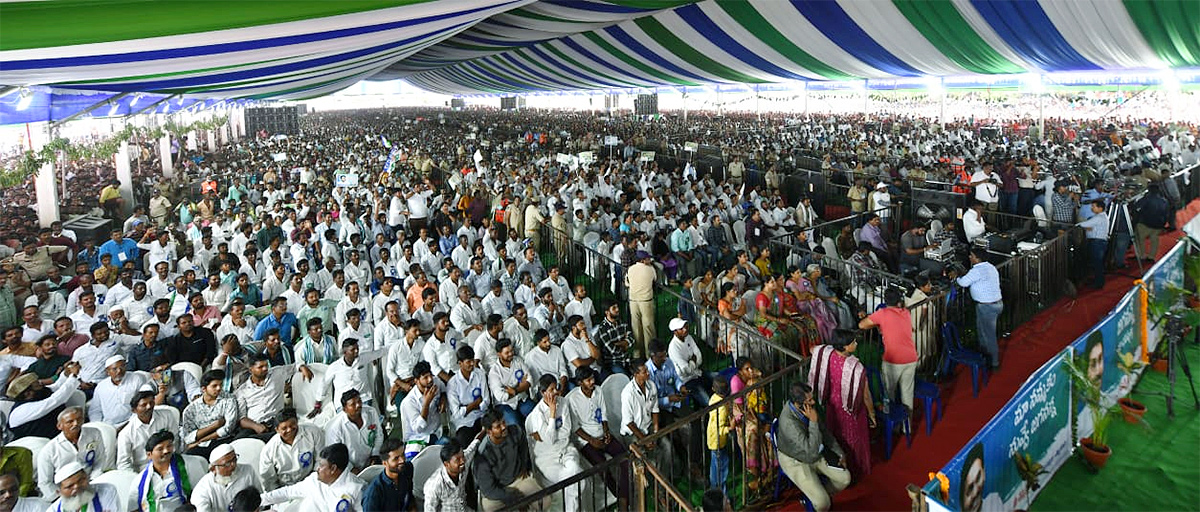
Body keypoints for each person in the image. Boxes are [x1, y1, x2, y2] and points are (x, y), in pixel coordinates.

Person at [776, 382, 851, 512]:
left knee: (845, 479)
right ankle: (818, 497)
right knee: (823, 504)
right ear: (798, 404)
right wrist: (813, 422)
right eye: (809, 400)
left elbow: (825, 433)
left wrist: (839, 452)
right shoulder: (789, 423)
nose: (813, 402)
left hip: (814, 452)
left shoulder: (807, 409)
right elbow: (812, 451)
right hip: (795, 460)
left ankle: (817, 494)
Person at [808, 331, 875, 478]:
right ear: (845, 347)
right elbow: (865, 394)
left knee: (835, 434)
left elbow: (813, 349)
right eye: (853, 343)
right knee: (854, 437)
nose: (856, 344)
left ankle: (838, 466)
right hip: (850, 407)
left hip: (833, 403)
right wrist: (872, 414)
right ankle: (856, 468)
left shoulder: (828, 354)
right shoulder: (856, 368)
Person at [565, 366, 629, 507]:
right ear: (580, 382)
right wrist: (592, 441)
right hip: (586, 441)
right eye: (588, 380)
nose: (592, 382)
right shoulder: (573, 399)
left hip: (602, 434)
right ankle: (618, 496)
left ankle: (624, 497)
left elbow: (604, 414)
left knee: (625, 459)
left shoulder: (598, 391)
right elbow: (575, 428)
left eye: (592, 378)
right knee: (603, 468)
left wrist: (606, 432)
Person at [858, 288, 918, 416]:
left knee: (888, 394)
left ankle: (891, 423)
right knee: (907, 394)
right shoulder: (906, 312)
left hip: (893, 361)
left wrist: (877, 324)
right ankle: (906, 426)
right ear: (899, 302)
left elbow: (862, 325)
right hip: (911, 358)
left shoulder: (882, 314)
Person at [474, 409, 547, 511]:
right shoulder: (483, 454)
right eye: (498, 426)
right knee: (490, 508)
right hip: (497, 491)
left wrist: (523, 466)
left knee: (545, 501)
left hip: (518, 480)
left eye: (504, 422)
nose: (504, 427)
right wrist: (514, 497)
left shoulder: (515, 431)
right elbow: (488, 490)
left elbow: (523, 446)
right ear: (489, 432)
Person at [260, 443, 366, 512]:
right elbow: (288, 492)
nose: (317, 469)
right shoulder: (314, 480)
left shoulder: (357, 489)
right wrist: (260, 500)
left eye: (321, 465)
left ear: (333, 468)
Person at [36, 407, 108, 500]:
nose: (76, 424)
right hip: (64, 493)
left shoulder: (94, 433)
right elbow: (45, 483)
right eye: (70, 421)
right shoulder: (49, 451)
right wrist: (63, 498)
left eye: (79, 419)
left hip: (91, 483)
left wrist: (93, 482)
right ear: (59, 426)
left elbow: (100, 461)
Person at [951, 249, 1003, 369]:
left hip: (987, 306)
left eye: (972, 256)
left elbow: (963, 283)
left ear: (977, 258)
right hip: (994, 304)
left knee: (989, 335)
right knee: (982, 331)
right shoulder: (990, 267)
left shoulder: (977, 271)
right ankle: (984, 355)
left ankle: (994, 363)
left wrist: (956, 278)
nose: (970, 257)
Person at [258, 409, 326, 492]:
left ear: (297, 421)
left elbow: (320, 460)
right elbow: (269, 481)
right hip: (285, 489)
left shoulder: (313, 432)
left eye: (292, 424)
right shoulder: (269, 450)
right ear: (277, 430)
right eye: (284, 428)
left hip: (311, 482)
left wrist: (314, 481)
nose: (289, 430)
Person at [180, 369, 242, 458]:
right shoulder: (191, 409)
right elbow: (188, 437)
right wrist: (214, 425)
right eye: (214, 386)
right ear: (203, 389)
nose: (219, 388)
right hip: (202, 445)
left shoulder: (229, 399)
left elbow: (228, 428)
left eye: (221, 385)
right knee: (190, 456)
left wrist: (201, 440)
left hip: (224, 440)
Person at [117, 389, 179, 472]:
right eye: (144, 405)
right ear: (134, 410)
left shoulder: (167, 415)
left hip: (169, 462)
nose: (149, 406)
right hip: (144, 469)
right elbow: (123, 463)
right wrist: (136, 480)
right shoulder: (126, 433)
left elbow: (175, 440)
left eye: (151, 402)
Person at [325, 389, 384, 473]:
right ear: (344, 409)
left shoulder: (371, 412)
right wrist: (350, 468)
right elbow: (335, 454)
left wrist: (375, 454)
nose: (358, 405)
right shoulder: (335, 427)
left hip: (371, 461)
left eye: (359, 401)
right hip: (348, 468)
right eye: (353, 404)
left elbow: (379, 434)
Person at [191, 444, 262, 512]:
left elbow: (259, 498)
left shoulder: (247, 470)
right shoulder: (203, 489)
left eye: (234, 459)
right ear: (213, 469)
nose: (233, 465)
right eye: (227, 464)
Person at [135, 431, 195, 512]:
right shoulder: (139, 480)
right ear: (149, 455)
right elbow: (134, 508)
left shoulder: (188, 465)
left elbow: (200, 494)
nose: (166, 451)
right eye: (160, 449)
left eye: (169, 446)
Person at [422, 433, 483, 512]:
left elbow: (473, 446)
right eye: (458, 459)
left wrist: (484, 430)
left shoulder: (463, 463)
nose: (462, 461)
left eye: (463, 456)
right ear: (446, 464)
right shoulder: (435, 485)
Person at [400, 361, 447, 459]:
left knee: (449, 448)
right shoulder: (409, 402)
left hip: (436, 433)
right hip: (417, 439)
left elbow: (443, 389)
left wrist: (443, 398)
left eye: (430, 375)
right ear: (416, 381)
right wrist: (426, 404)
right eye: (425, 377)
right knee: (414, 465)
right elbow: (418, 428)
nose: (430, 379)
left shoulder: (435, 382)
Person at [446, 346, 490, 447]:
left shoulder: (480, 374)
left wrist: (466, 408)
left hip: (481, 416)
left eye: (472, 360)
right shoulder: (453, 384)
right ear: (460, 363)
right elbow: (457, 414)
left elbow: (486, 401)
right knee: (463, 442)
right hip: (464, 422)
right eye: (468, 362)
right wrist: (474, 404)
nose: (472, 364)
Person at [487, 339, 534, 427]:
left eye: (511, 350)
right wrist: (521, 386)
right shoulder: (494, 372)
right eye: (507, 352)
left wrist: (515, 390)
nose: (511, 354)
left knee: (534, 414)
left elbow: (530, 380)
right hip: (505, 405)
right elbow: (501, 396)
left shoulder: (518, 360)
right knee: (514, 424)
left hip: (521, 398)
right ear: (499, 354)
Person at [360, 438, 414, 512]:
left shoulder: (407, 469)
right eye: (396, 458)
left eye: (403, 455)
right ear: (385, 463)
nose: (402, 460)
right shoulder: (373, 494)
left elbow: (410, 499)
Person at [45, 462, 121, 512]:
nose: (77, 487)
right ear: (59, 492)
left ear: (87, 478)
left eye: (81, 480)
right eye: (70, 486)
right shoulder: (53, 510)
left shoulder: (106, 491)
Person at [625, 252, 656, 355]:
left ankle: (637, 353)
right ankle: (649, 354)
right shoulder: (650, 269)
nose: (649, 261)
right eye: (647, 259)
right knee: (648, 328)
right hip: (646, 301)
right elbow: (654, 279)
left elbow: (627, 283)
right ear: (643, 260)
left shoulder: (630, 269)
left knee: (636, 328)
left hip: (633, 301)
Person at [1078, 200, 1110, 289]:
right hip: (1098, 242)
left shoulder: (1099, 218)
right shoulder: (1099, 217)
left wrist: (1077, 225)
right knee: (1097, 263)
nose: (1092, 208)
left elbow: (1084, 224)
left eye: (1093, 206)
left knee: (1097, 264)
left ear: (1100, 208)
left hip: (1097, 243)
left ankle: (1098, 283)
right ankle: (1097, 281)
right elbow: (1090, 227)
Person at [706, 376, 731, 492]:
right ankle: (721, 492)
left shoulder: (713, 398)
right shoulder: (722, 408)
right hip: (717, 440)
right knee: (722, 466)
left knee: (715, 465)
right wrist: (730, 428)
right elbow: (720, 428)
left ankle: (713, 488)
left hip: (712, 438)